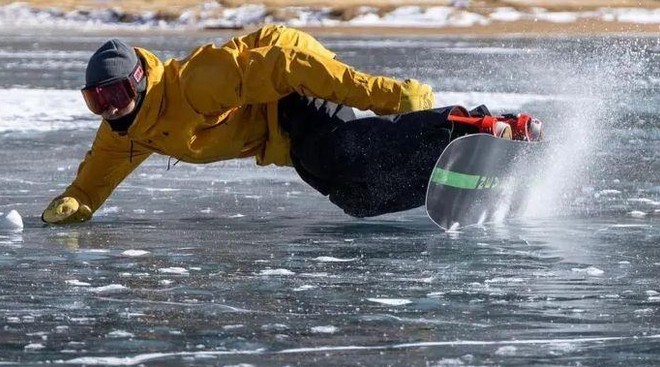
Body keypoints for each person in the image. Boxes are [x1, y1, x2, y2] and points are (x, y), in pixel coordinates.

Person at [41, 25, 516, 225]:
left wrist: (388, 95)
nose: (109, 109)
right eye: (96, 100)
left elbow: (286, 65)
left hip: (289, 77)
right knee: (356, 197)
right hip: (279, 135)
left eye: (116, 94)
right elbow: (94, 179)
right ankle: (445, 167)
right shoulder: (127, 132)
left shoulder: (194, 84)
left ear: (140, 82)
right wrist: (73, 203)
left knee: (333, 154)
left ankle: (467, 124)